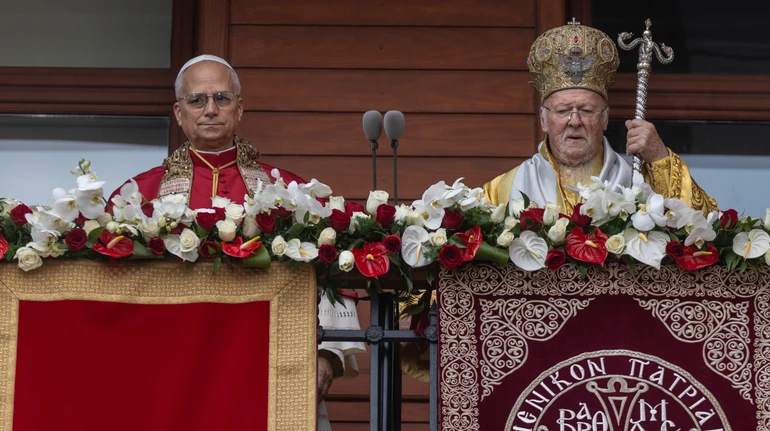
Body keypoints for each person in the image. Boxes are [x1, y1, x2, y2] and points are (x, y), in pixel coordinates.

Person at [111, 54, 364, 431]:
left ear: (240, 109)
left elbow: (329, 261)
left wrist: (326, 353)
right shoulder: (138, 195)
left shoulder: (289, 192)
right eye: (197, 100)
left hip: (264, 361)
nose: (210, 109)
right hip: (167, 365)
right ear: (179, 113)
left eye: (221, 98)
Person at [483, 20, 718, 214]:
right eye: (563, 110)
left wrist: (659, 158)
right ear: (544, 120)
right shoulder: (501, 191)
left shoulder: (639, 183)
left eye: (586, 111)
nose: (574, 121)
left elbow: (706, 224)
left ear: (605, 119)